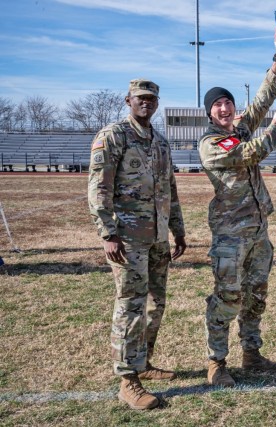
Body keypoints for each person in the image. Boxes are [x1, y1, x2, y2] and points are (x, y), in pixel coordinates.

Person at [198, 29, 276, 388]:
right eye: (217, 105)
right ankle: (216, 362)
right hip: (229, 236)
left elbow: (262, 100)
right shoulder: (211, 143)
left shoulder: (238, 128)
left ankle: (251, 353)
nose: (225, 108)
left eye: (228, 103)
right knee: (227, 298)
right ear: (210, 112)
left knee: (256, 295)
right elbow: (248, 153)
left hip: (257, 231)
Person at [88, 79, 187, 410]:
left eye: (152, 99)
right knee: (130, 305)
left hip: (157, 238)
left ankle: (144, 361)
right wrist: (107, 233)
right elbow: (98, 188)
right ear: (128, 100)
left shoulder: (159, 141)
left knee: (155, 304)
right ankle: (128, 381)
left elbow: (169, 190)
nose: (146, 103)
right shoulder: (113, 136)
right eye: (140, 98)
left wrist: (178, 230)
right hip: (127, 241)